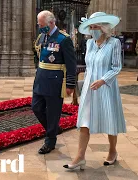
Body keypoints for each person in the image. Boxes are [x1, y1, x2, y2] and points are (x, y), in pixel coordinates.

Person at [63, 12, 126, 170]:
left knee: (109, 119)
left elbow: (116, 67)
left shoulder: (114, 43)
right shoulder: (90, 44)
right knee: (85, 121)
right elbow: (89, 65)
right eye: (90, 27)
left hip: (106, 87)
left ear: (104, 27)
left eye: (95, 26)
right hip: (89, 88)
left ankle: (112, 151)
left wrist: (103, 80)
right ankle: (80, 157)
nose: (93, 30)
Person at [32, 10, 77, 154]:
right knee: (36, 107)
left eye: (42, 24)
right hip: (40, 80)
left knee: (53, 113)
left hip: (55, 82)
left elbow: (71, 64)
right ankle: (54, 129)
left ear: (52, 23)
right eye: (39, 24)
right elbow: (38, 56)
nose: (40, 27)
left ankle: (50, 141)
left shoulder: (63, 39)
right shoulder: (41, 37)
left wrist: (70, 84)